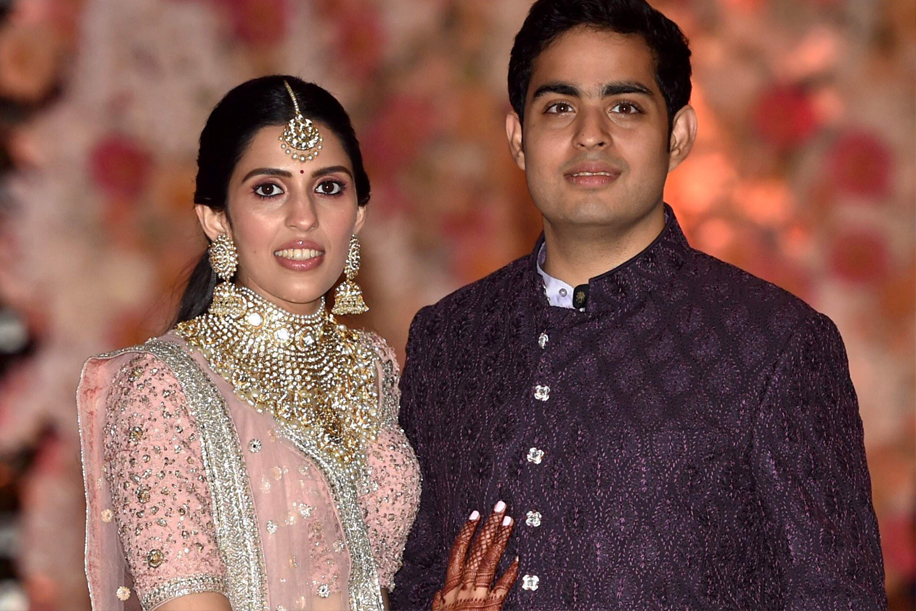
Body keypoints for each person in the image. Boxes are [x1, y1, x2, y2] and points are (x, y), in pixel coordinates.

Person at [391, 1, 887, 610]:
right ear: (518, 139)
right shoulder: (449, 337)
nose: (590, 133)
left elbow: (838, 597)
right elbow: (407, 572)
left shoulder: (776, 344)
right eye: (559, 107)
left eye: (624, 106)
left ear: (678, 136)